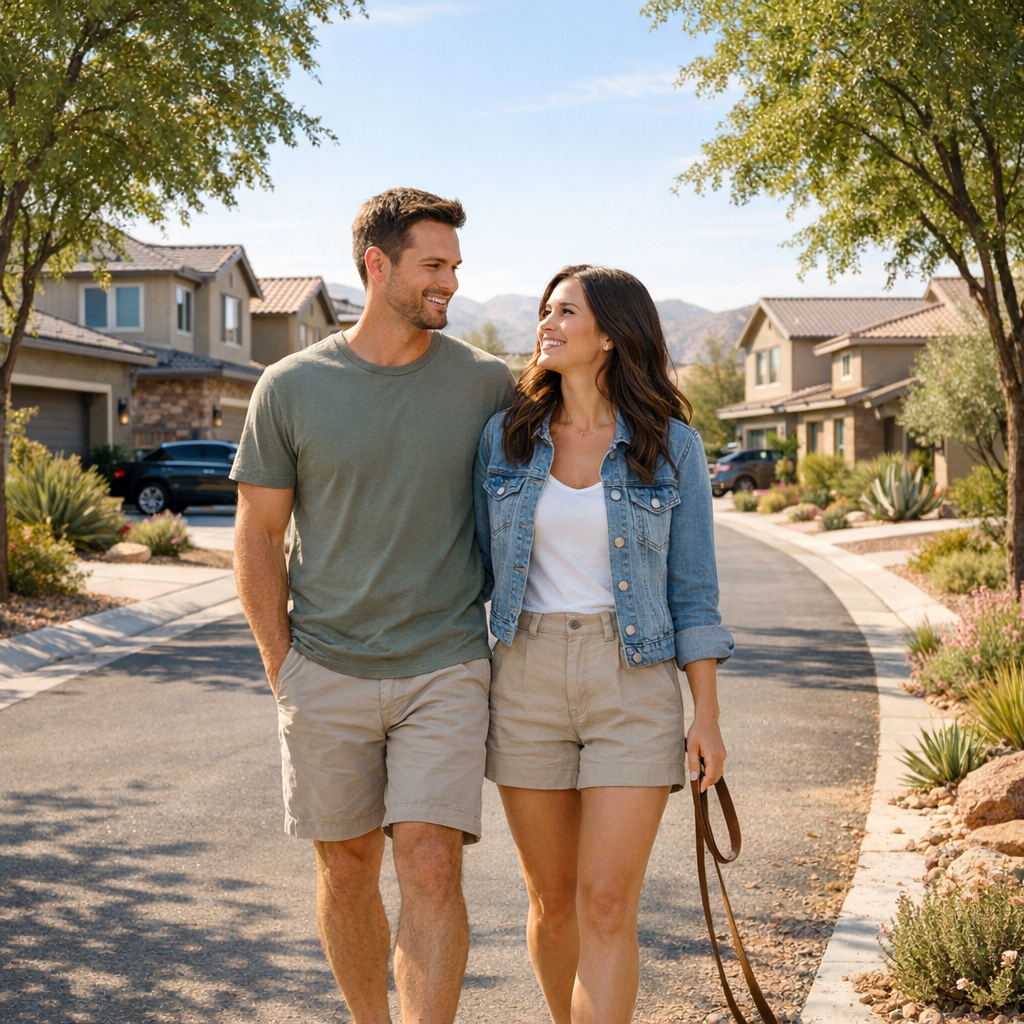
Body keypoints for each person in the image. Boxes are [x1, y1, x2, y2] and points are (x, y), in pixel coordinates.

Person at [231, 187, 517, 1024]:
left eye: (456, 268)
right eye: (434, 265)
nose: (451, 284)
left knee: (430, 864)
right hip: (324, 667)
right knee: (347, 868)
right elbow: (257, 535)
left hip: (446, 663)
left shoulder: (484, 385)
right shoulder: (289, 388)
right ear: (376, 264)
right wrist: (280, 663)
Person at [473, 264, 735, 1024]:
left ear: (612, 337)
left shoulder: (671, 446)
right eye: (545, 311)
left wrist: (706, 715)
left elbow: (694, 592)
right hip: (524, 675)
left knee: (608, 901)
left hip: (634, 679)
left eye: (566, 313)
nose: (546, 324)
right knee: (554, 903)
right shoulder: (507, 438)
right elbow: (474, 566)